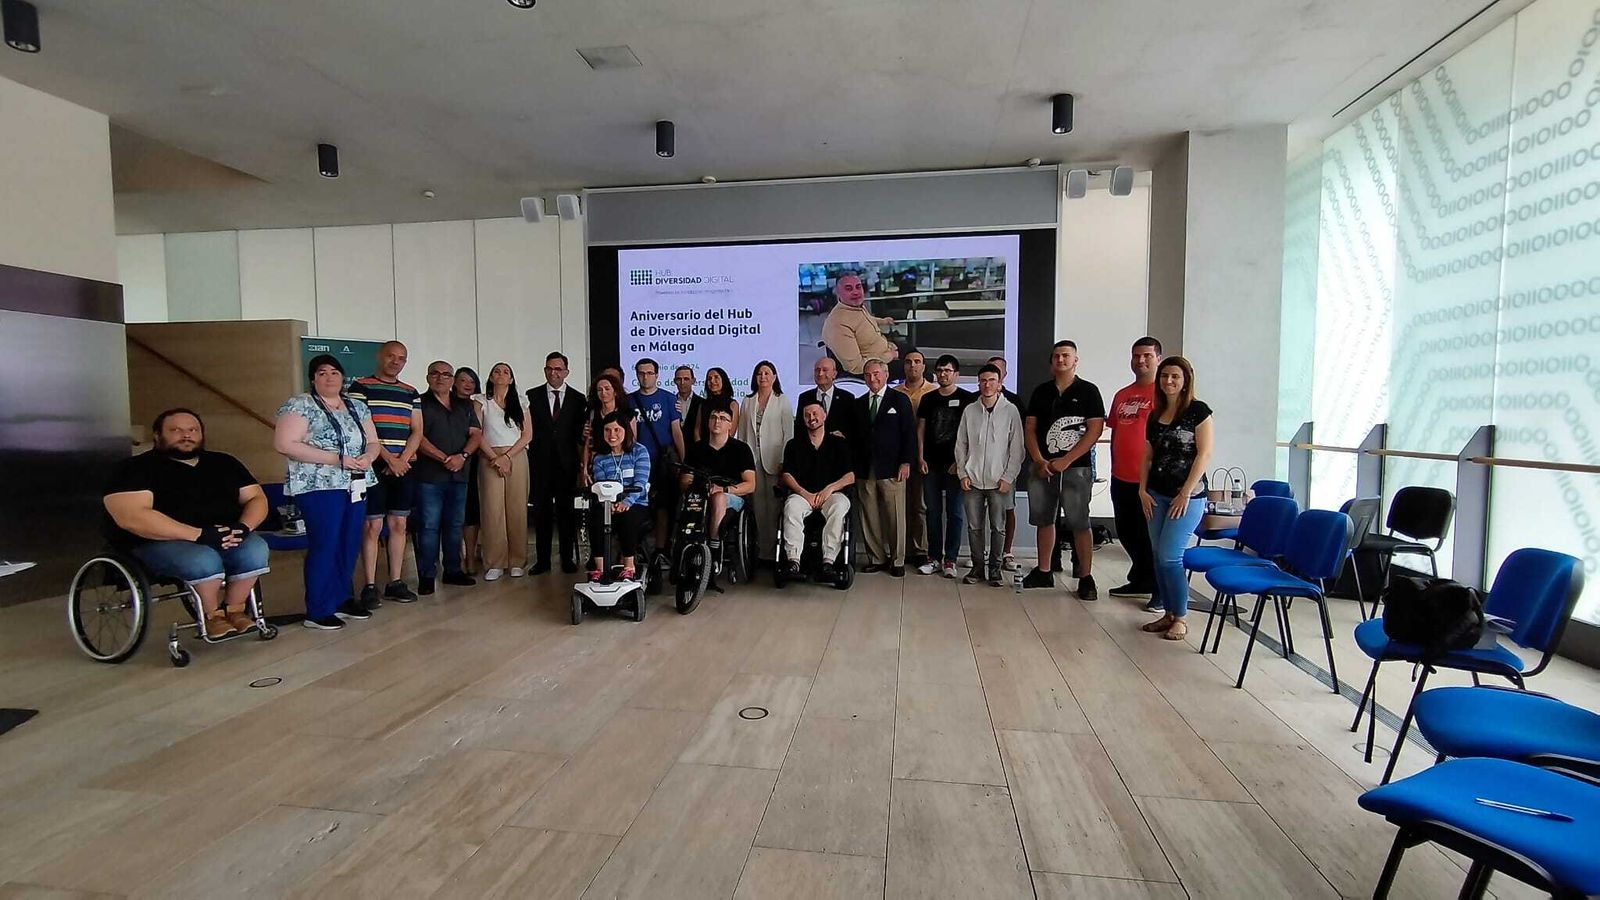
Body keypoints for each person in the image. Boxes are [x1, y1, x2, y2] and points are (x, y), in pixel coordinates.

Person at [103, 409, 271, 638]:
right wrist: (198, 535)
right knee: (203, 559)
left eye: (193, 430)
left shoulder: (224, 463)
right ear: (157, 435)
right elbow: (132, 517)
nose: (186, 435)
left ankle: (235, 610)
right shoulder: (134, 469)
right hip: (158, 542)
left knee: (255, 548)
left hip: (221, 535)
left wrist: (243, 528)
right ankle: (211, 616)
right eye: (176, 430)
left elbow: (256, 498)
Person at [274, 355, 382, 628]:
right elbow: (285, 443)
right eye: (322, 373)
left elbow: (373, 441)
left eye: (335, 372)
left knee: (349, 541)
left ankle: (341, 598)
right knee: (326, 542)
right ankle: (318, 609)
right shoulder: (301, 404)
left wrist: (369, 457)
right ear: (313, 379)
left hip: (355, 482)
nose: (329, 377)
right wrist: (336, 459)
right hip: (319, 485)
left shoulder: (356, 406)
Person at [1022, 340, 1105, 599]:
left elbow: (1095, 429)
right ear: (1051, 362)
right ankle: (1044, 570)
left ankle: (1086, 577)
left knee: (1079, 521)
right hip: (1043, 468)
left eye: (1066, 356)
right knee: (1044, 520)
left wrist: (1067, 460)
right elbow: (1030, 428)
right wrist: (1039, 460)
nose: (1061, 360)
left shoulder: (1089, 391)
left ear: (1075, 361)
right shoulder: (1041, 392)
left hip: (1076, 468)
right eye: (1056, 356)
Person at [1139, 357, 1213, 642]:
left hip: (1187, 497)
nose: (1168, 381)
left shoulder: (1198, 411)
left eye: (1175, 377)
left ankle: (1180, 617)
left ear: (1185, 381)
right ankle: (1168, 613)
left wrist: (1185, 493)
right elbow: (1147, 456)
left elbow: (1204, 454)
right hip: (1156, 494)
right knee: (1158, 556)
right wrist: (1142, 490)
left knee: (1171, 557)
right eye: (1164, 376)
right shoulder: (1155, 415)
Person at [347, 341, 422, 607]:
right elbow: (361, 429)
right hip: (373, 465)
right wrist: (389, 459)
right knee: (372, 526)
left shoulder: (410, 392)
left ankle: (395, 581)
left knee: (399, 524)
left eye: (401, 358)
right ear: (380, 356)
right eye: (391, 356)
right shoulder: (360, 387)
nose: (395, 361)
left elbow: (417, 430)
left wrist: (402, 460)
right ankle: (369, 584)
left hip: (404, 465)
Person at [413, 360, 482, 595]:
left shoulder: (464, 405)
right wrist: (444, 458)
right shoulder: (419, 403)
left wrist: (462, 456)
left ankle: (453, 571)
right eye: (435, 374)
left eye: (446, 374)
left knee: (454, 525)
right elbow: (418, 437)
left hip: (459, 474)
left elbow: (476, 434)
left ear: (452, 379)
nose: (440, 378)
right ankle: (427, 575)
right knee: (429, 526)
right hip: (430, 476)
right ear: (428, 377)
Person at [954, 364, 1024, 586]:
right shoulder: (970, 410)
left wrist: (1008, 477)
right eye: (983, 380)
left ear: (999, 383)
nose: (987, 384)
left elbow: (1017, 448)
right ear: (978, 383)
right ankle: (977, 568)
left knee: (998, 527)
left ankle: (995, 569)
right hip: (972, 480)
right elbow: (961, 444)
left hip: (999, 481)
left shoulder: (1010, 411)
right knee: (974, 527)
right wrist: (962, 473)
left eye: (992, 380)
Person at [1108, 337, 1162, 605]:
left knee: (1152, 536)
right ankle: (1141, 579)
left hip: (1149, 480)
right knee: (1127, 532)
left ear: (1158, 359)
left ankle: (1161, 590)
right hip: (1121, 476)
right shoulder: (1122, 394)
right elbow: (1116, 430)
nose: (1141, 360)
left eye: (1147, 356)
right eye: (1136, 356)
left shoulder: (1163, 395)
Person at [527, 351, 587, 574]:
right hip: (539, 463)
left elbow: (580, 435)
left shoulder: (578, 399)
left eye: (558, 369)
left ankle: (567, 558)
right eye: (549, 369)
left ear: (566, 372)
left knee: (566, 513)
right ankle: (542, 560)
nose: (553, 373)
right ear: (545, 370)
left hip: (566, 464)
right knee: (541, 513)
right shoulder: (532, 396)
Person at [779, 400, 855, 577]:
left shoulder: (838, 443)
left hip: (831, 494)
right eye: (807, 415)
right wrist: (804, 493)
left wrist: (830, 489)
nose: (811, 418)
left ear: (824, 416)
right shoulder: (793, 444)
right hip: (802, 494)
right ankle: (793, 561)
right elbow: (787, 475)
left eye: (815, 413)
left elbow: (850, 476)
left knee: (840, 506)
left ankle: (829, 561)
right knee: (791, 507)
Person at [681, 402, 757, 574]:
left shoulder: (741, 449)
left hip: (731, 497)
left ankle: (714, 548)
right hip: (700, 494)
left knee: (718, 498)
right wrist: (694, 487)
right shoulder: (696, 448)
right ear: (708, 422)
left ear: (730, 425)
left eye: (723, 418)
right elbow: (685, 479)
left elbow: (750, 484)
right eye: (714, 417)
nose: (717, 421)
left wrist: (724, 490)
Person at [855, 358, 915, 576]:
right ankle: (877, 558)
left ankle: (897, 560)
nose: (872, 379)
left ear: (886, 375)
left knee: (895, 515)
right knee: (869, 516)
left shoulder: (899, 399)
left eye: (876, 374)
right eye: (868, 375)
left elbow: (909, 433)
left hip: (892, 467)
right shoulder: (859, 403)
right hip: (865, 468)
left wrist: (906, 461)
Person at [917, 354, 974, 578]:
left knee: (955, 513)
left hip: (955, 467)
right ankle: (933, 558)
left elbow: (971, 434)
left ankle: (950, 559)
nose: (943, 374)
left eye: (948, 370)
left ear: (956, 374)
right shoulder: (928, 398)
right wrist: (920, 457)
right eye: (940, 370)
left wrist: (960, 463)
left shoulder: (967, 399)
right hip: (930, 465)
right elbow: (920, 429)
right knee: (932, 512)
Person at [474, 362, 532, 581]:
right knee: (492, 509)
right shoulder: (481, 401)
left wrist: (507, 457)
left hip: (516, 455)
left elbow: (527, 434)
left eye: (506, 372)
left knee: (517, 508)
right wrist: (495, 458)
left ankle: (517, 561)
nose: (501, 375)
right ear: (490, 377)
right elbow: (477, 433)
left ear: (511, 379)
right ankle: (494, 562)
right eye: (496, 371)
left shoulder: (521, 402)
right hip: (489, 456)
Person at [736, 360, 794, 563]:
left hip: (775, 460)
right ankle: (762, 551)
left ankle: (777, 551)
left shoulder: (782, 400)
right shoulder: (747, 401)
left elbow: (789, 434)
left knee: (776, 505)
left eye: (767, 373)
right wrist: (742, 461)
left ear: (774, 377)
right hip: (753, 460)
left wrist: (784, 461)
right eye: (759, 373)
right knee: (758, 506)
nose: (763, 377)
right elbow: (742, 434)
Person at [630, 358, 686, 557]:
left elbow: (676, 432)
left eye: (649, 373)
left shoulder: (669, 399)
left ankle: (661, 551)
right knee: (638, 504)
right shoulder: (629, 400)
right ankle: (637, 549)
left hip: (663, 463)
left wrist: (683, 461)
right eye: (641, 373)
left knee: (663, 506)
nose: (645, 377)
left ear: (657, 375)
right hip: (638, 464)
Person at [587, 413, 651, 580]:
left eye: (617, 430)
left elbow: (640, 483)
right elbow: (601, 486)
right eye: (607, 430)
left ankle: (629, 566)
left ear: (625, 430)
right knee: (596, 518)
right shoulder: (600, 458)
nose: (612, 435)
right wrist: (609, 505)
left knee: (627, 518)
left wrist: (626, 502)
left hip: (636, 504)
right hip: (608, 504)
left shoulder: (639, 451)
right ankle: (600, 569)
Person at [895, 349, 935, 566]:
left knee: (919, 505)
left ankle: (920, 549)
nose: (913, 366)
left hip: (923, 456)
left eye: (917, 361)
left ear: (923, 366)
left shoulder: (933, 392)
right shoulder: (895, 392)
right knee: (901, 506)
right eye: (908, 362)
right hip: (899, 456)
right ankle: (903, 549)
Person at [821, 271, 898, 376]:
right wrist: (890, 356)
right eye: (849, 289)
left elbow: (865, 321)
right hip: (874, 369)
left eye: (858, 287)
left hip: (886, 349)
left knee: (913, 352)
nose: (856, 292)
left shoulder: (855, 307)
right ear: (838, 293)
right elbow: (856, 367)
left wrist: (884, 321)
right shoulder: (837, 324)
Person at [988, 354, 1021, 571]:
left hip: (1005, 470)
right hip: (979, 471)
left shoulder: (1013, 403)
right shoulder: (974, 403)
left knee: (1007, 510)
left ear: (1004, 375)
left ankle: (1006, 552)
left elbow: (1018, 441)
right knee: (981, 513)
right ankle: (984, 552)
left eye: (998, 371)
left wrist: (1010, 472)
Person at [454, 367, 483, 575]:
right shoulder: (445, 402)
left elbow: (480, 434)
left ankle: (471, 557)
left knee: (472, 512)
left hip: (472, 463)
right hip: (445, 462)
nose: (467, 385)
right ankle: (456, 558)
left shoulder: (476, 406)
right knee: (453, 514)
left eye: (472, 382)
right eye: (463, 380)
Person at [584, 371, 637, 478]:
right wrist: (585, 468)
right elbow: (587, 443)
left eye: (607, 389)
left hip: (623, 463)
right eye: (599, 390)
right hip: (598, 464)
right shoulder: (592, 413)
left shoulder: (627, 414)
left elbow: (633, 442)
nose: (603, 393)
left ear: (615, 392)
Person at [794, 357, 858, 442]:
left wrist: (843, 435)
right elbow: (799, 427)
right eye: (817, 370)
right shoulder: (805, 397)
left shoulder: (847, 398)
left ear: (834, 374)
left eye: (825, 370)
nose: (820, 374)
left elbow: (853, 428)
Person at [691, 366, 740, 441]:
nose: (712, 381)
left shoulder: (733, 404)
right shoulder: (703, 404)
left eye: (716, 377)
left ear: (723, 380)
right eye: (709, 378)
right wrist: (699, 446)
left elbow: (731, 432)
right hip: (703, 446)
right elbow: (697, 430)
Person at [673, 365, 702, 439]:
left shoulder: (702, 403)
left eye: (686, 379)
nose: (682, 382)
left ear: (693, 381)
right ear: (674, 381)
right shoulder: (669, 402)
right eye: (679, 379)